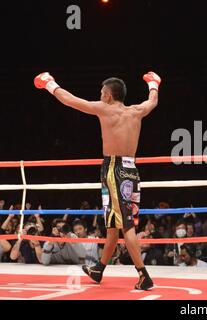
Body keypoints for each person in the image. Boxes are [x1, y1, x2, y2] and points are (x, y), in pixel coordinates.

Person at [34, 70, 161, 290]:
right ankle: (99, 269)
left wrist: (49, 83)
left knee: (127, 225)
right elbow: (153, 101)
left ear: (109, 95)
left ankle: (143, 275)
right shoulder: (136, 111)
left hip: (114, 170)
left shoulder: (105, 109)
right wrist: (153, 83)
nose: (100, 95)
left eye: (102, 92)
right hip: (131, 170)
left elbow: (70, 100)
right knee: (113, 223)